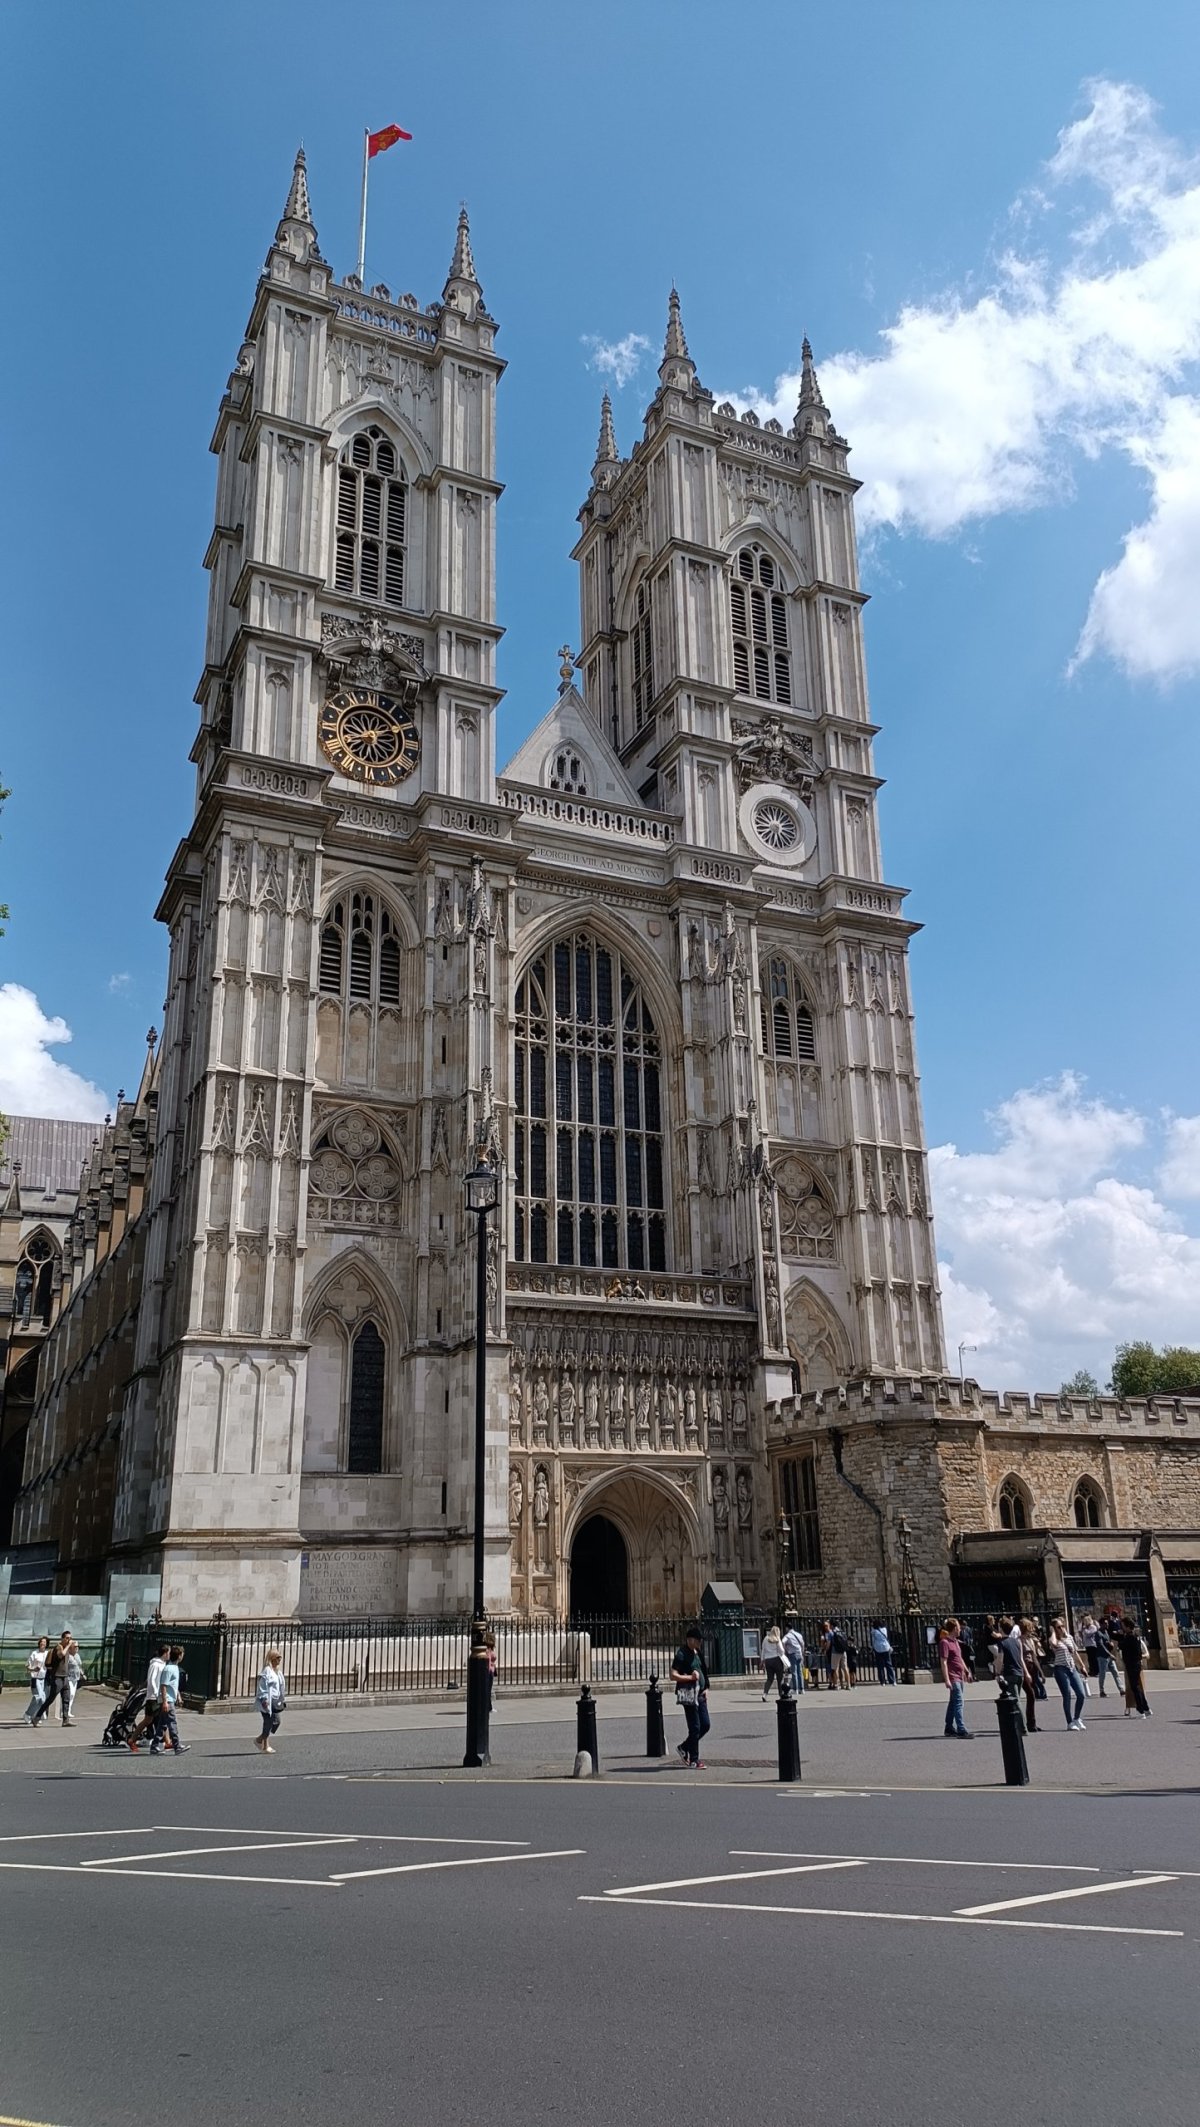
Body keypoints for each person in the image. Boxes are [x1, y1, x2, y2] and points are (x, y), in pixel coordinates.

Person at [670, 1625, 710, 1769]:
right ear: (690, 1639)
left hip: (700, 1694)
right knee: (695, 1728)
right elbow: (672, 1675)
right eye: (698, 1640)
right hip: (689, 1694)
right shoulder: (681, 1654)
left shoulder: (697, 1651)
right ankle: (694, 1760)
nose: (700, 1643)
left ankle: (684, 1747)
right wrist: (690, 1677)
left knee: (705, 1725)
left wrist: (707, 1687)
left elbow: (703, 1670)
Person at [128, 1641, 172, 1752]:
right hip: (153, 1697)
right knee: (148, 1720)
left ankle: (167, 1742)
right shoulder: (155, 1665)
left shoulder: (162, 1665)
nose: (170, 1655)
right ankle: (132, 1740)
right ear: (165, 1653)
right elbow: (152, 1680)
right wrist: (157, 1694)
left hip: (158, 1696)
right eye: (169, 1653)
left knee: (163, 1719)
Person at [151, 1645, 190, 1757]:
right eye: (182, 1654)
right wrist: (164, 1702)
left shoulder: (174, 1668)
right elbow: (163, 1685)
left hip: (170, 1699)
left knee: (162, 1725)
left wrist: (178, 1695)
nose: (183, 1656)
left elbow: (172, 1685)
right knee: (172, 1723)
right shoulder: (169, 1668)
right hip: (167, 1700)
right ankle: (177, 1746)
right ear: (179, 1656)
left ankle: (154, 1746)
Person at [1048, 1617, 1087, 1730]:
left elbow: (1075, 1653)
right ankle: (1069, 1722)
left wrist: (1082, 1666)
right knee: (1067, 1695)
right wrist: (1053, 1632)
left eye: (1062, 1626)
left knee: (1081, 1694)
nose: (1062, 1629)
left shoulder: (1069, 1637)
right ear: (1054, 1629)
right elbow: (1053, 1643)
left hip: (1072, 1668)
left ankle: (1077, 1718)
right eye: (1058, 1627)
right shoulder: (1054, 1639)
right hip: (1060, 1669)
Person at [938, 1619, 973, 1738]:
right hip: (953, 1677)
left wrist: (967, 1671)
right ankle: (961, 1729)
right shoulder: (945, 1642)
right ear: (954, 1629)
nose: (960, 1629)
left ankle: (948, 1727)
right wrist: (947, 1679)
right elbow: (944, 1662)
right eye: (958, 1627)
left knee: (953, 1702)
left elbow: (959, 1658)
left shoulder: (956, 1642)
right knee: (959, 1703)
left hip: (960, 1675)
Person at [30, 1632, 73, 1727]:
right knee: (50, 1699)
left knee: (66, 1699)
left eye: (70, 1638)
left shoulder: (67, 1648)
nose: (69, 1640)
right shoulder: (59, 1647)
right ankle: (36, 1717)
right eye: (67, 1638)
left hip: (65, 1677)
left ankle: (66, 1720)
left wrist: (72, 1646)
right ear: (62, 1638)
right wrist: (68, 1646)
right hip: (57, 1677)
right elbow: (61, 1654)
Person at [1117, 1616, 1152, 1718]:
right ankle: (1146, 1708)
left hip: (1132, 1663)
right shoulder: (1136, 1636)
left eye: (1123, 1626)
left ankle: (1140, 1710)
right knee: (1137, 1687)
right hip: (1136, 1663)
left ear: (1128, 1627)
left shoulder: (1130, 1638)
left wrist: (1121, 1639)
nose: (1122, 1627)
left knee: (1135, 1687)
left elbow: (1122, 1646)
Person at [256, 1649, 286, 1753]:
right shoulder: (267, 1671)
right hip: (267, 1701)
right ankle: (266, 1746)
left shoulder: (277, 1672)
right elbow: (262, 1687)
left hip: (275, 1701)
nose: (279, 1660)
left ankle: (260, 1739)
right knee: (268, 1722)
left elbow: (281, 1686)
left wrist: (281, 1698)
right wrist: (264, 1700)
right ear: (272, 1658)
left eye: (280, 1657)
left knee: (276, 1722)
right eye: (278, 1657)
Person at [1018, 1617, 1043, 1732]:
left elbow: (1034, 1657)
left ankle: (1031, 1722)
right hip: (1024, 1668)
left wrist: (1041, 1672)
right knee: (1031, 1694)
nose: (1032, 1629)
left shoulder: (1030, 1640)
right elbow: (1020, 1658)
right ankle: (1029, 1723)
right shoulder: (1019, 1641)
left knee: (1032, 1696)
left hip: (1032, 1667)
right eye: (1030, 1627)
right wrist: (1026, 1672)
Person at [22, 1637, 49, 1725]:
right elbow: (27, 1665)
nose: (42, 1644)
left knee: (43, 1699)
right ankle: (28, 1714)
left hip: (45, 1678)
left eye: (44, 1642)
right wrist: (33, 1669)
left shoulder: (48, 1653)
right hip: (35, 1678)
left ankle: (35, 1715)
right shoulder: (35, 1653)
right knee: (39, 1697)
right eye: (41, 1642)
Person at [1094, 1619, 1122, 1698]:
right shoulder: (1098, 1634)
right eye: (1105, 1624)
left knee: (1115, 1672)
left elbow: (1107, 1642)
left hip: (1109, 1656)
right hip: (1102, 1656)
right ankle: (1101, 1691)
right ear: (1101, 1624)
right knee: (1102, 1674)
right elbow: (1101, 1646)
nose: (1107, 1625)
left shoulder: (1106, 1632)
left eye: (1107, 1623)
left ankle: (1121, 1689)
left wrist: (1110, 1643)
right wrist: (1110, 1654)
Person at [760, 1624, 787, 1700]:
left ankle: (764, 1694)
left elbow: (763, 1650)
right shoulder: (777, 1639)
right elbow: (782, 1650)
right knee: (779, 1679)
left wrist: (762, 1661)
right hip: (777, 1660)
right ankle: (780, 1694)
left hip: (768, 1661)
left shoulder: (766, 1639)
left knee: (769, 1679)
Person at [62, 1639, 85, 1725]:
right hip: (69, 1677)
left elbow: (79, 1666)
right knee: (69, 1694)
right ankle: (65, 1711)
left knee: (72, 1695)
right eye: (75, 1647)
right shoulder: (68, 1656)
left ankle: (68, 1711)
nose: (76, 1648)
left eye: (77, 1647)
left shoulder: (77, 1656)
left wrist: (82, 1673)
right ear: (70, 1648)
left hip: (76, 1677)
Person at [781, 1622, 806, 1695]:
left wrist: (785, 1650)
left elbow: (783, 1641)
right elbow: (802, 1644)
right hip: (799, 1653)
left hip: (792, 1654)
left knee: (794, 1672)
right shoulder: (798, 1634)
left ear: (787, 1628)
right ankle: (802, 1688)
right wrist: (802, 1652)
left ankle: (796, 1689)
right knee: (800, 1672)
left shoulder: (787, 1636)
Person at [826, 1621, 851, 1690]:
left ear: (831, 1625)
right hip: (843, 1651)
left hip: (835, 1651)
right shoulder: (842, 1631)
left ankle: (836, 1685)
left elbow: (828, 1643)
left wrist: (826, 1650)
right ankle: (848, 1684)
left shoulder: (831, 1633)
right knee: (845, 1668)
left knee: (835, 1668)